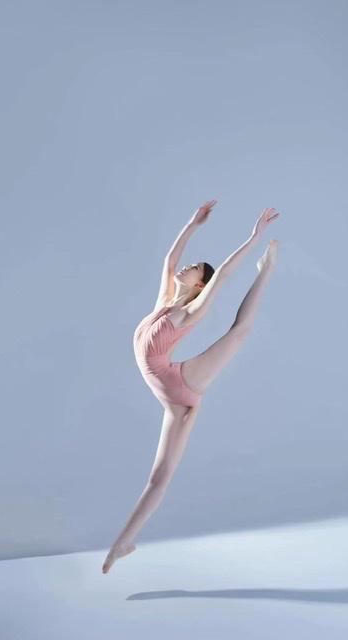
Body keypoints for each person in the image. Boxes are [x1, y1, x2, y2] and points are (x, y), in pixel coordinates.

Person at [102, 201, 279, 573]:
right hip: (170, 399)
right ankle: (121, 545)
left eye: (194, 268)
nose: (186, 267)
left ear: (200, 284)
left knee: (239, 333)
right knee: (158, 478)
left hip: (179, 384)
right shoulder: (165, 304)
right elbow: (169, 260)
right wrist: (194, 223)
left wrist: (254, 238)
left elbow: (223, 274)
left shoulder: (189, 313)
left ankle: (267, 271)